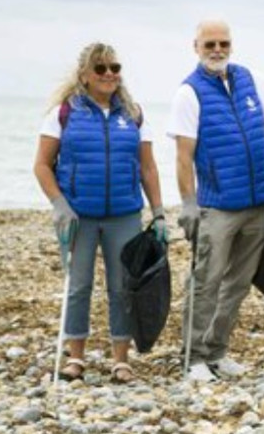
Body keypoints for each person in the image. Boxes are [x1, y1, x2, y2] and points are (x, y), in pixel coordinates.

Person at [34, 43, 166, 384]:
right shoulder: (65, 113)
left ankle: (120, 360)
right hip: (78, 217)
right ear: (85, 75)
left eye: (115, 67)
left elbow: (148, 170)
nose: (109, 74)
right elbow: (42, 165)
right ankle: (75, 358)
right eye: (101, 68)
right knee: (78, 286)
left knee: (122, 286)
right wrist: (60, 205)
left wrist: (160, 213)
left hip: (124, 215)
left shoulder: (133, 114)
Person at [170, 20, 264, 382]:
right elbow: (183, 156)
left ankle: (217, 352)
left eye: (223, 43)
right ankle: (193, 357)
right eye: (210, 44)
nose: (217, 49)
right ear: (196, 46)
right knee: (206, 281)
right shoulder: (188, 94)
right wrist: (188, 203)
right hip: (218, 208)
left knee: (238, 283)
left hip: (257, 204)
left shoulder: (253, 80)